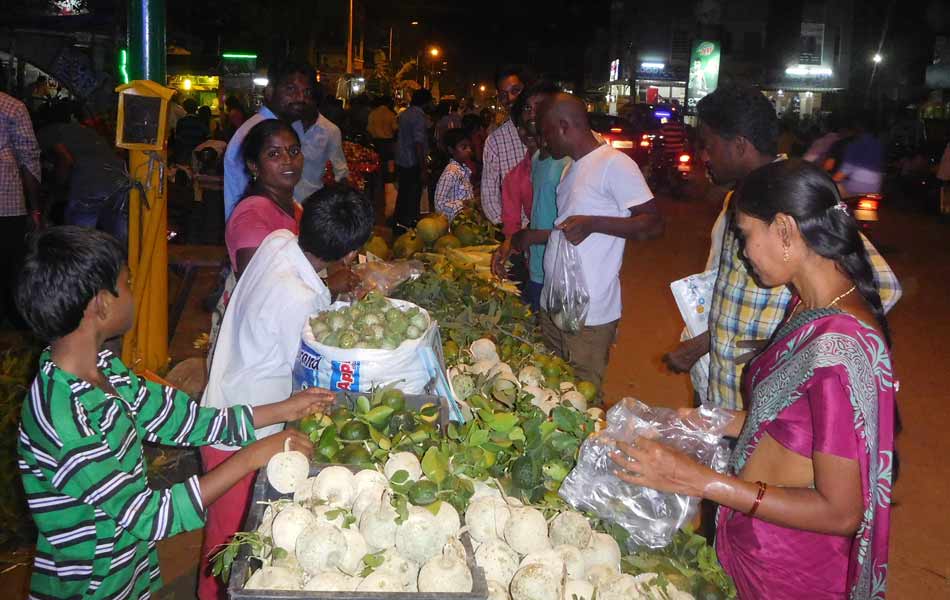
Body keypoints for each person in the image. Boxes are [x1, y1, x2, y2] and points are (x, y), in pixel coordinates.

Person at [613, 159, 897, 599]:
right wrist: (711, 419)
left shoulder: (839, 344)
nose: (744, 252)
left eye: (746, 235)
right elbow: (795, 425)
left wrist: (699, 480)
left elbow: (841, 512)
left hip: (789, 567)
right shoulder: (806, 305)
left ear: (784, 230)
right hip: (754, 543)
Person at [14, 226, 331, 600]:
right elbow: (148, 516)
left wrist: (284, 408)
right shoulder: (62, 417)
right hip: (88, 587)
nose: (134, 295)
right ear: (101, 304)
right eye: (127, 284)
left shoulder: (105, 372)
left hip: (128, 568)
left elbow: (185, 421)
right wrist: (250, 457)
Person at [663, 85, 901, 410]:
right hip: (725, 396)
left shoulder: (789, 197)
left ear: (739, 145)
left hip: (765, 412)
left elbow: (882, 287)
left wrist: (785, 346)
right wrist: (707, 344)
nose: (704, 156)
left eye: (709, 145)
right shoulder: (742, 198)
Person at [198, 185, 373, 599]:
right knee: (228, 547)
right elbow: (313, 363)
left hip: (224, 402)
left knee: (224, 536)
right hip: (244, 432)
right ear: (348, 254)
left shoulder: (278, 242)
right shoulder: (302, 299)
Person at [535, 93, 662, 388]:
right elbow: (569, 228)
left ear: (564, 126)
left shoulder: (614, 164)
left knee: (582, 399)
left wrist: (595, 224)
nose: (544, 142)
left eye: (547, 133)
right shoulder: (572, 167)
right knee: (552, 391)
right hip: (555, 303)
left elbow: (653, 223)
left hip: (589, 316)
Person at [491, 81, 565, 311]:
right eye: (527, 109)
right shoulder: (533, 164)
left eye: (539, 107)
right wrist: (508, 246)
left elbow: (578, 227)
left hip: (562, 275)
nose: (532, 115)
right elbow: (524, 222)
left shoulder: (569, 161)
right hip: (536, 269)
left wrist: (530, 237)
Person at [223, 61, 315, 221]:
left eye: (306, 92)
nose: (301, 98)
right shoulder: (256, 132)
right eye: (291, 89)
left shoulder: (285, 129)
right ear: (270, 92)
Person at [37, 102, 128, 240]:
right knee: (117, 237)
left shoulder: (48, 132)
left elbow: (65, 159)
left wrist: (57, 186)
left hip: (90, 183)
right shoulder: (84, 130)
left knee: (80, 239)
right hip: (120, 179)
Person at [226, 120, 304, 278]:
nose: (288, 160)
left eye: (294, 151)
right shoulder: (251, 216)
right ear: (254, 165)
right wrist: (328, 284)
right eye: (274, 154)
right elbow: (258, 288)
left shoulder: (293, 206)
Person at [0, 91, 41, 326]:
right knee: (11, 271)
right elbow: (29, 158)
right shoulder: (12, 107)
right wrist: (35, 209)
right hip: (6, 205)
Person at [480, 66, 529, 224]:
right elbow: (489, 193)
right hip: (517, 233)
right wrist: (507, 229)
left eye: (516, 90)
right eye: (503, 95)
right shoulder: (495, 141)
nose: (510, 98)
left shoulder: (552, 130)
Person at [292, 80, 349, 202]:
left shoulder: (331, 131)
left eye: (307, 97)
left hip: (312, 199)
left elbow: (340, 169)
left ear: (316, 102)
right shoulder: (289, 125)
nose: (301, 101)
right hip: (285, 199)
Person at [393, 88, 433, 231]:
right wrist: (423, 169)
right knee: (413, 195)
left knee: (404, 194)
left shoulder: (405, 114)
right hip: (413, 161)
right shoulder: (418, 117)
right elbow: (418, 143)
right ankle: (408, 224)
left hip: (402, 159)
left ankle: (399, 223)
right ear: (426, 102)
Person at [834, 114, 884, 197]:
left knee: (833, 187)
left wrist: (831, 181)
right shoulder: (878, 143)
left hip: (856, 187)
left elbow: (844, 171)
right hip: (876, 187)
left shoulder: (855, 144)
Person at [434, 128, 475, 221]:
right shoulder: (450, 173)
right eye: (464, 147)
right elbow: (439, 205)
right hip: (453, 224)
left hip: (464, 222)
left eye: (469, 147)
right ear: (451, 150)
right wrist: (463, 204)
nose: (469, 150)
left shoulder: (463, 170)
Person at [172, 98, 210, 165]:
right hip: (197, 155)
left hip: (183, 154)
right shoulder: (201, 121)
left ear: (184, 108)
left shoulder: (181, 122)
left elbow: (177, 137)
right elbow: (207, 136)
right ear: (196, 108)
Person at [367, 95, 398, 176]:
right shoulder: (391, 114)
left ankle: (378, 176)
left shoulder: (373, 113)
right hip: (389, 142)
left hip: (376, 142)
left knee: (377, 162)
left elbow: (369, 129)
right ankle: (389, 178)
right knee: (389, 162)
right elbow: (395, 129)